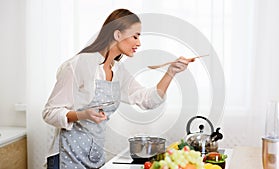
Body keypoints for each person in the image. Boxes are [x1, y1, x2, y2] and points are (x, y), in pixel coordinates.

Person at [43, 8, 193, 169]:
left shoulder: (118, 71)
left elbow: (148, 100)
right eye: (135, 36)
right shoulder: (79, 65)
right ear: (117, 34)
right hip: (67, 156)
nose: (139, 43)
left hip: (94, 156)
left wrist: (171, 73)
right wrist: (82, 115)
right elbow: (49, 113)